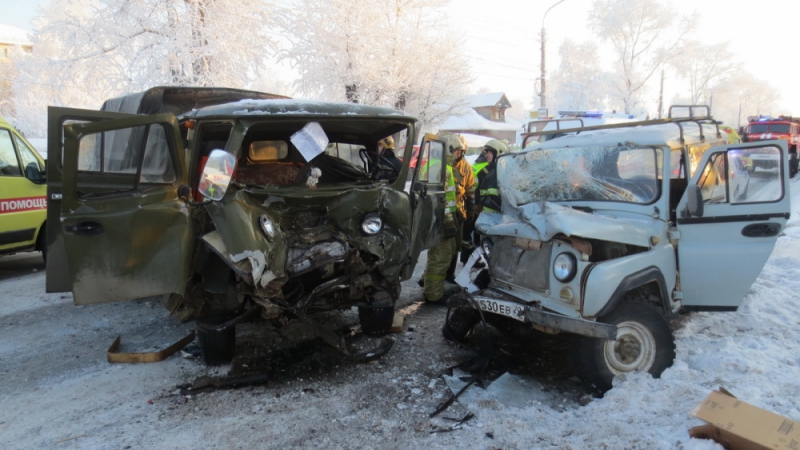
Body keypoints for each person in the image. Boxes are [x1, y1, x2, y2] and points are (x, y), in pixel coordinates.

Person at [421, 135, 459, 304]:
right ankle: (433, 295)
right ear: (449, 150)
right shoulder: (442, 168)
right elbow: (439, 199)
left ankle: (430, 285)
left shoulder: (435, 165)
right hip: (440, 220)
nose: (458, 154)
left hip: (437, 219)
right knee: (440, 257)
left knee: (444, 255)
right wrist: (448, 220)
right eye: (457, 150)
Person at [444, 134, 475, 281]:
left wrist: (471, 207)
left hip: (458, 213)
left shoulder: (465, 166)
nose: (458, 154)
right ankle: (432, 277)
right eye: (456, 150)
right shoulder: (441, 165)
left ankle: (449, 275)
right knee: (441, 249)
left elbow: (470, 188)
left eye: (460, 151)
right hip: (443, 213)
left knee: (455, 246)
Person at [475, 139, 508, 213]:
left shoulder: (500, 172)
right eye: (487, 153)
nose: (486, 155)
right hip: (488, 214)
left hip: (496, 215)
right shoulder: (489, 171)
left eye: (490, 152)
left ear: (498, 153)